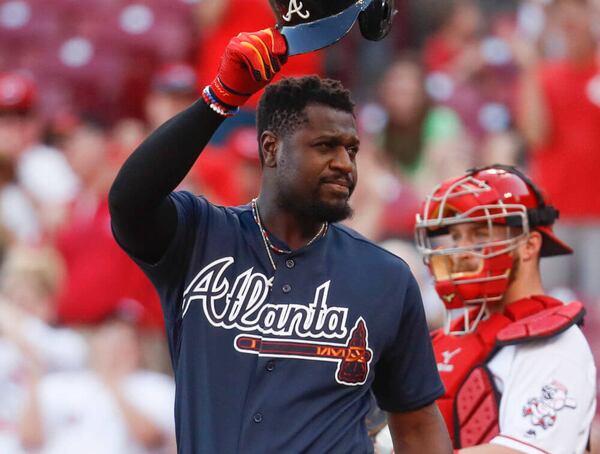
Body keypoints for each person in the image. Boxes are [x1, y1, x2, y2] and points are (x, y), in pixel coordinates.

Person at [109, 28, 451, 453]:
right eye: (326, 146)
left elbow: (417, 424)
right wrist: (219, 100)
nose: (344, 164)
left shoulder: (386, 278)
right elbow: (128, 202)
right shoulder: (201, 236)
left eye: (352, 149)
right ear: (271, 149)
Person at [411, 164, 596, 453]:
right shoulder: (451, 336)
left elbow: (521, 452)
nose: (461, 251)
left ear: (529, 245)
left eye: (479, 234)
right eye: (457, 237)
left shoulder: (554, 343)